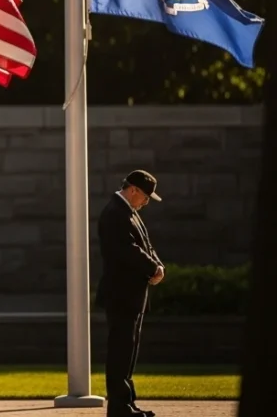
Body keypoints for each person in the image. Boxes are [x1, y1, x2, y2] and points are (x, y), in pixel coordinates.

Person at [96, 170, 165, 417]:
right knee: (120, 351)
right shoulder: (116, 214)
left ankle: (127, 403)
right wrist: (152, 267)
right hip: (121, 293)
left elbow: (146, 245)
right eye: (145, 196)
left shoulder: (128, 213)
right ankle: (119, 407)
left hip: (131, 294)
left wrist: (158, 266)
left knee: (128, 351)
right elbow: (127, 250)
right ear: (133, 189)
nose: (147, 201)